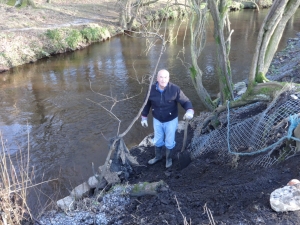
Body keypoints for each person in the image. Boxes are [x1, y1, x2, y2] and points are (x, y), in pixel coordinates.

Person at [141, 69, 194, 168]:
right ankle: (158, 157)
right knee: (157, 139)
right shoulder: (151, 89)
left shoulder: (175, 89)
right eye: (161, 77)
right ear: (157, 78)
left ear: (168, 78)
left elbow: (185, 101)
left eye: (165, 77)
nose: (163, 79)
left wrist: (189, 111)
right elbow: (146, 104)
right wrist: (144, 117)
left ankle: (168, 159)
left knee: (169, 141)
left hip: (171, 120)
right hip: (157, 119)